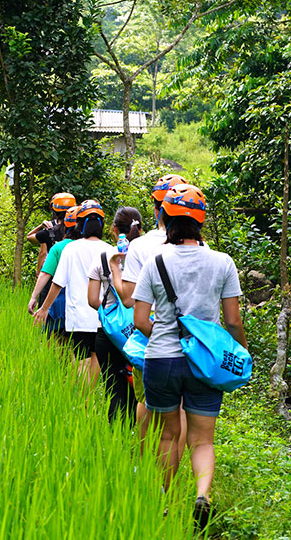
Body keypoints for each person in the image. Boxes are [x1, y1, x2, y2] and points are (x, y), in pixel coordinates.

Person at [131, 184, 247, 530]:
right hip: (204, 364)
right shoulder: (222, 262)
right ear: (201, 222)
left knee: (168, 436)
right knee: (203, 439)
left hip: (162, 360)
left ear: (164, 218)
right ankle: (202, 496)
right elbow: (233, 321)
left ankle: (164, 502)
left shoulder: (155, 262)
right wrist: (237, 350)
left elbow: (139, 319)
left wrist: (168, 339)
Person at [109, 174, 189, 439]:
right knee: (181, 407)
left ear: (158, 209)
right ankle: (178, 470)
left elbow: (129, 299)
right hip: (189, 336)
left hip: (151, 333)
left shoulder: (140, 246)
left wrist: (114, 269)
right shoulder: (200, 246)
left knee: (146, 401)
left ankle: (145, 464)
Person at [33, 200, 116, 385]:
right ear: (102, 225)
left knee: (81, 358)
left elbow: (58, 282)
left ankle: (81, 399)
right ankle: (89, 397)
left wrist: (44, 308)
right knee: (95, 357)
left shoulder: (71, 249)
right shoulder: (109, 250)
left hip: (78, 317)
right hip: (103, 316)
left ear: (79, 224)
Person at [86, 207, 142, 422]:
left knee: (115, 390)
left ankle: (117, 439)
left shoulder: (104, 257)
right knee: (141, 393)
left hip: (110, 336)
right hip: (142, 330)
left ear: (114, 229)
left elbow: (92, 300)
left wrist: (113, 316)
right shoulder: (147, 253)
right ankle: (143, 444)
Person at [28, 205, 81, 339]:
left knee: (55, 341)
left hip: (59, 301)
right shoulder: (98, 247)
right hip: (85, 304)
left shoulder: (58, 247)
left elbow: (46, 273)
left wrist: (34, 297)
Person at [27, 193, 76, 277]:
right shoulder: (79, 230)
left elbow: (30, 237)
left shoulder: (49, 230)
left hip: (53, 271)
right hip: (73, 271)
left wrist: (41, 226)